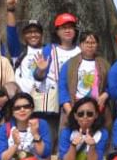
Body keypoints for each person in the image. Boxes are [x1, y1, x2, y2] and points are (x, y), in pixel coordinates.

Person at [32, 13, 82, 145]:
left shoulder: (80, 51)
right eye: (63, 27)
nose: (67, 30)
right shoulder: (49, 49)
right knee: (48, 136)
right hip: (52, 98)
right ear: (57, 31)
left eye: (71, 27)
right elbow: (37, 76)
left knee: (69, 135)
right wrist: (41, 69)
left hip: (72, 97)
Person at [57, 30, 111, 130]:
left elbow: (111, 85)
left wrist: (105, 95)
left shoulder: (105, 64)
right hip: (74, 107)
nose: (90, 45)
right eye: (86, 42)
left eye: (93, 43)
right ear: (80, 45)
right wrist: (70, 111)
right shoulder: (69, 64)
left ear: (97, 45)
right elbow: (62, 88)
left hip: (97, 110)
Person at [12, 19, 48, 107]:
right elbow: (11, 33)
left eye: (36, 32)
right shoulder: (19, 51)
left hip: (45, 99)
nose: (33, 35)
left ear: (42, 34)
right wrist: (10, 10)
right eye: (29, 32)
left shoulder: (49, 50)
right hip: (24, 100)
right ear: (24, 35)